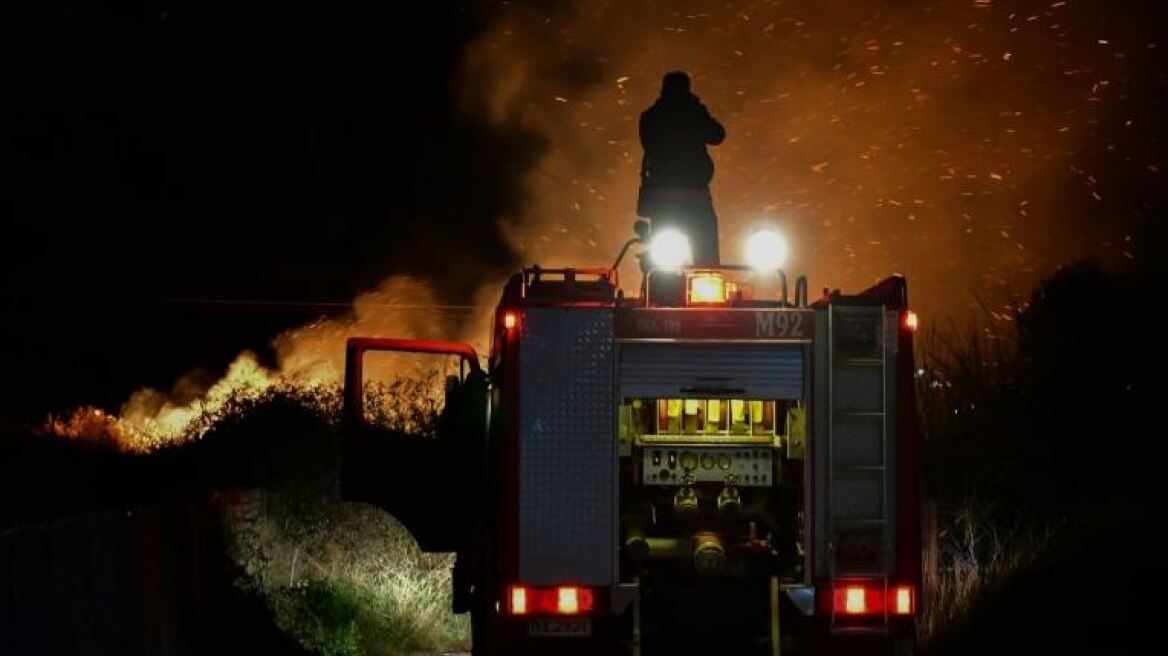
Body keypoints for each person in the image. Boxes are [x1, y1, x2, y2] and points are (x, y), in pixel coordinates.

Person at [638, 71, 726, 266]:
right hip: (697, 201)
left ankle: (662, 294)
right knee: (706, 259)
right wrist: (698, 108)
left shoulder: (650, 117)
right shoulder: (694, 114)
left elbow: (648, 144)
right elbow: (718, 135)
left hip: (662, 204)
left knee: (663, 263)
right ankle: (707, 288)